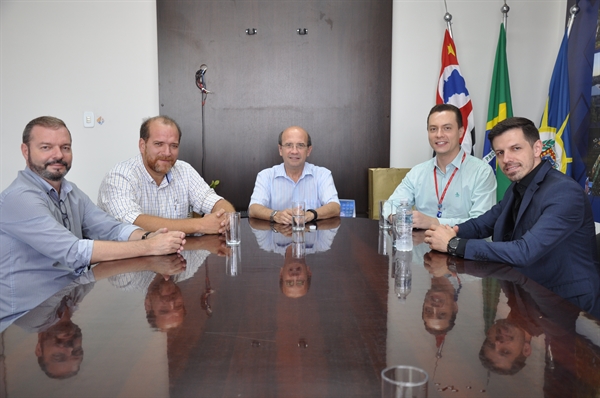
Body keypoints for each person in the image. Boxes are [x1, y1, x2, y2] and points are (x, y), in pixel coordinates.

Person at [0, 117, 187, 321]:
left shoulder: (71, 192)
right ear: (25, 151)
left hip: (65, 305)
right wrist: (151, 247)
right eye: (46, 147)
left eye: (65, 147)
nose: (58, 155)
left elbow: (111, 228)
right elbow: (73, 252)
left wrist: (148, 236)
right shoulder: (19, 198)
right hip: (25, 320)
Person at [425, 117, 600, 317]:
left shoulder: (564, 192)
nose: (506, 159)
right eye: (500, 153)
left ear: (536, 149)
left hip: (568, 305)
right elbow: (485, 223)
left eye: (515, 149)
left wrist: (453, 244)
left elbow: (524, 251)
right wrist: (451, 232)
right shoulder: (518, 187)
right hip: (528, 292)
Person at [98, 116, 235, 235]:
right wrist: (200, 225)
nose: (167, 152)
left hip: (174, 257)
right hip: (126, 261)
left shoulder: (184, 170)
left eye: (174, 146)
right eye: (159, 144)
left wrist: (226, 218)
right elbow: (133, 221)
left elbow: (211, 200)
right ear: (142, 145)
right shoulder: (119, 176)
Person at [387, 104, 496, 229]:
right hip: (423, 246)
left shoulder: (482, 172)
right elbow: (389, 206)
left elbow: (481, 223)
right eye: (433, 129)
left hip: (464, 246)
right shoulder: (417, 172)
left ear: (461, 132)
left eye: (447, 128)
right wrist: (398, 217)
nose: (439, 134)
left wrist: (433, 222)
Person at [248, 126, 340, 224]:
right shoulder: (266, 176)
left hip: (311, 237)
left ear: (308, 150)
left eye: (300, 145)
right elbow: (253, 209)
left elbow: (335, 207)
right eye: (288, 145)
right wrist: (275, 215)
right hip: (276, 237)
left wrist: (310, 214)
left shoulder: (322, 175)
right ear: (280, 149)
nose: (294, 151)